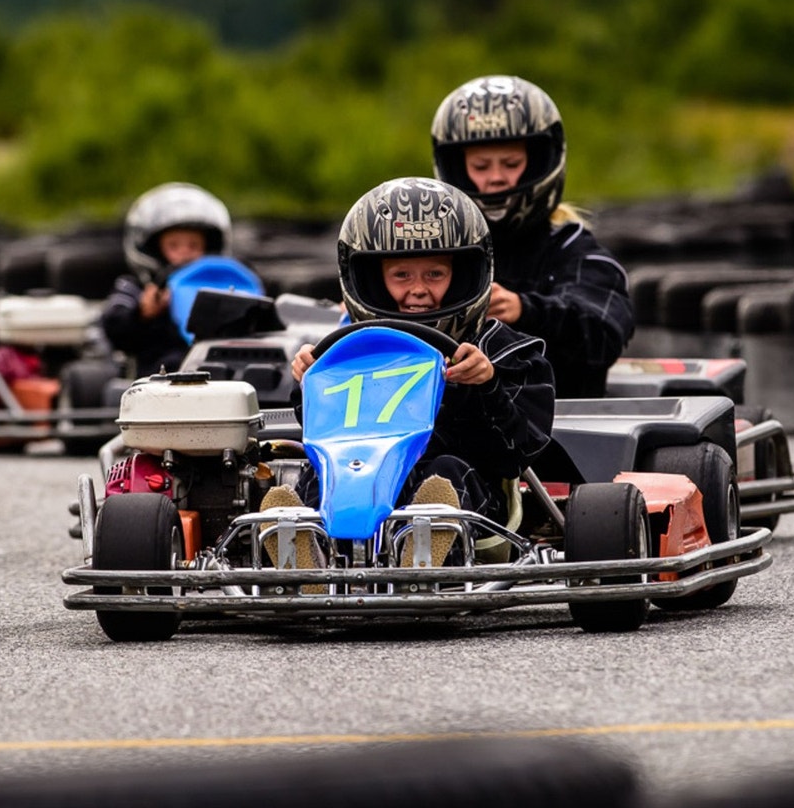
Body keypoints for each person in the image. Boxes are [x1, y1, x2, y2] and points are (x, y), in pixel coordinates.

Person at [272, 177, 556, 567]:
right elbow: (324, 433)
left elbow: (516, 453)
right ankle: (303, 554)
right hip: (362, 482)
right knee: (314, 475)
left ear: (465, 274)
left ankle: (425, 546)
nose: (419, 290)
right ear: (372, 279)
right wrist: (312, 381)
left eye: (435, 275)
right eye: (402, 276)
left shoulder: (509, 352)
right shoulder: (347, 349)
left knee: (443, 474)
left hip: (469, 496)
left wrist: (486, 385)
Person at [430, 74, 634, 398]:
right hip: (451, 429)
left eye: (511, 163)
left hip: (563, 432)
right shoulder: (438, 254)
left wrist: (525, 310)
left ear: (538, 162)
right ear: (456, 167)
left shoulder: (575, 251)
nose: (496, 179)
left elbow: (604, 329)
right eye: (481, 166)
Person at [101, 182, 234, 377]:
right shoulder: (135, 288)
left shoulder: (224, 285)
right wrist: (144, 314)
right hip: (160, 380)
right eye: (174, 245)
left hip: (222, 370)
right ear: (154, 249)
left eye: (193, 245)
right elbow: (115, 329)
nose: (185, 253)